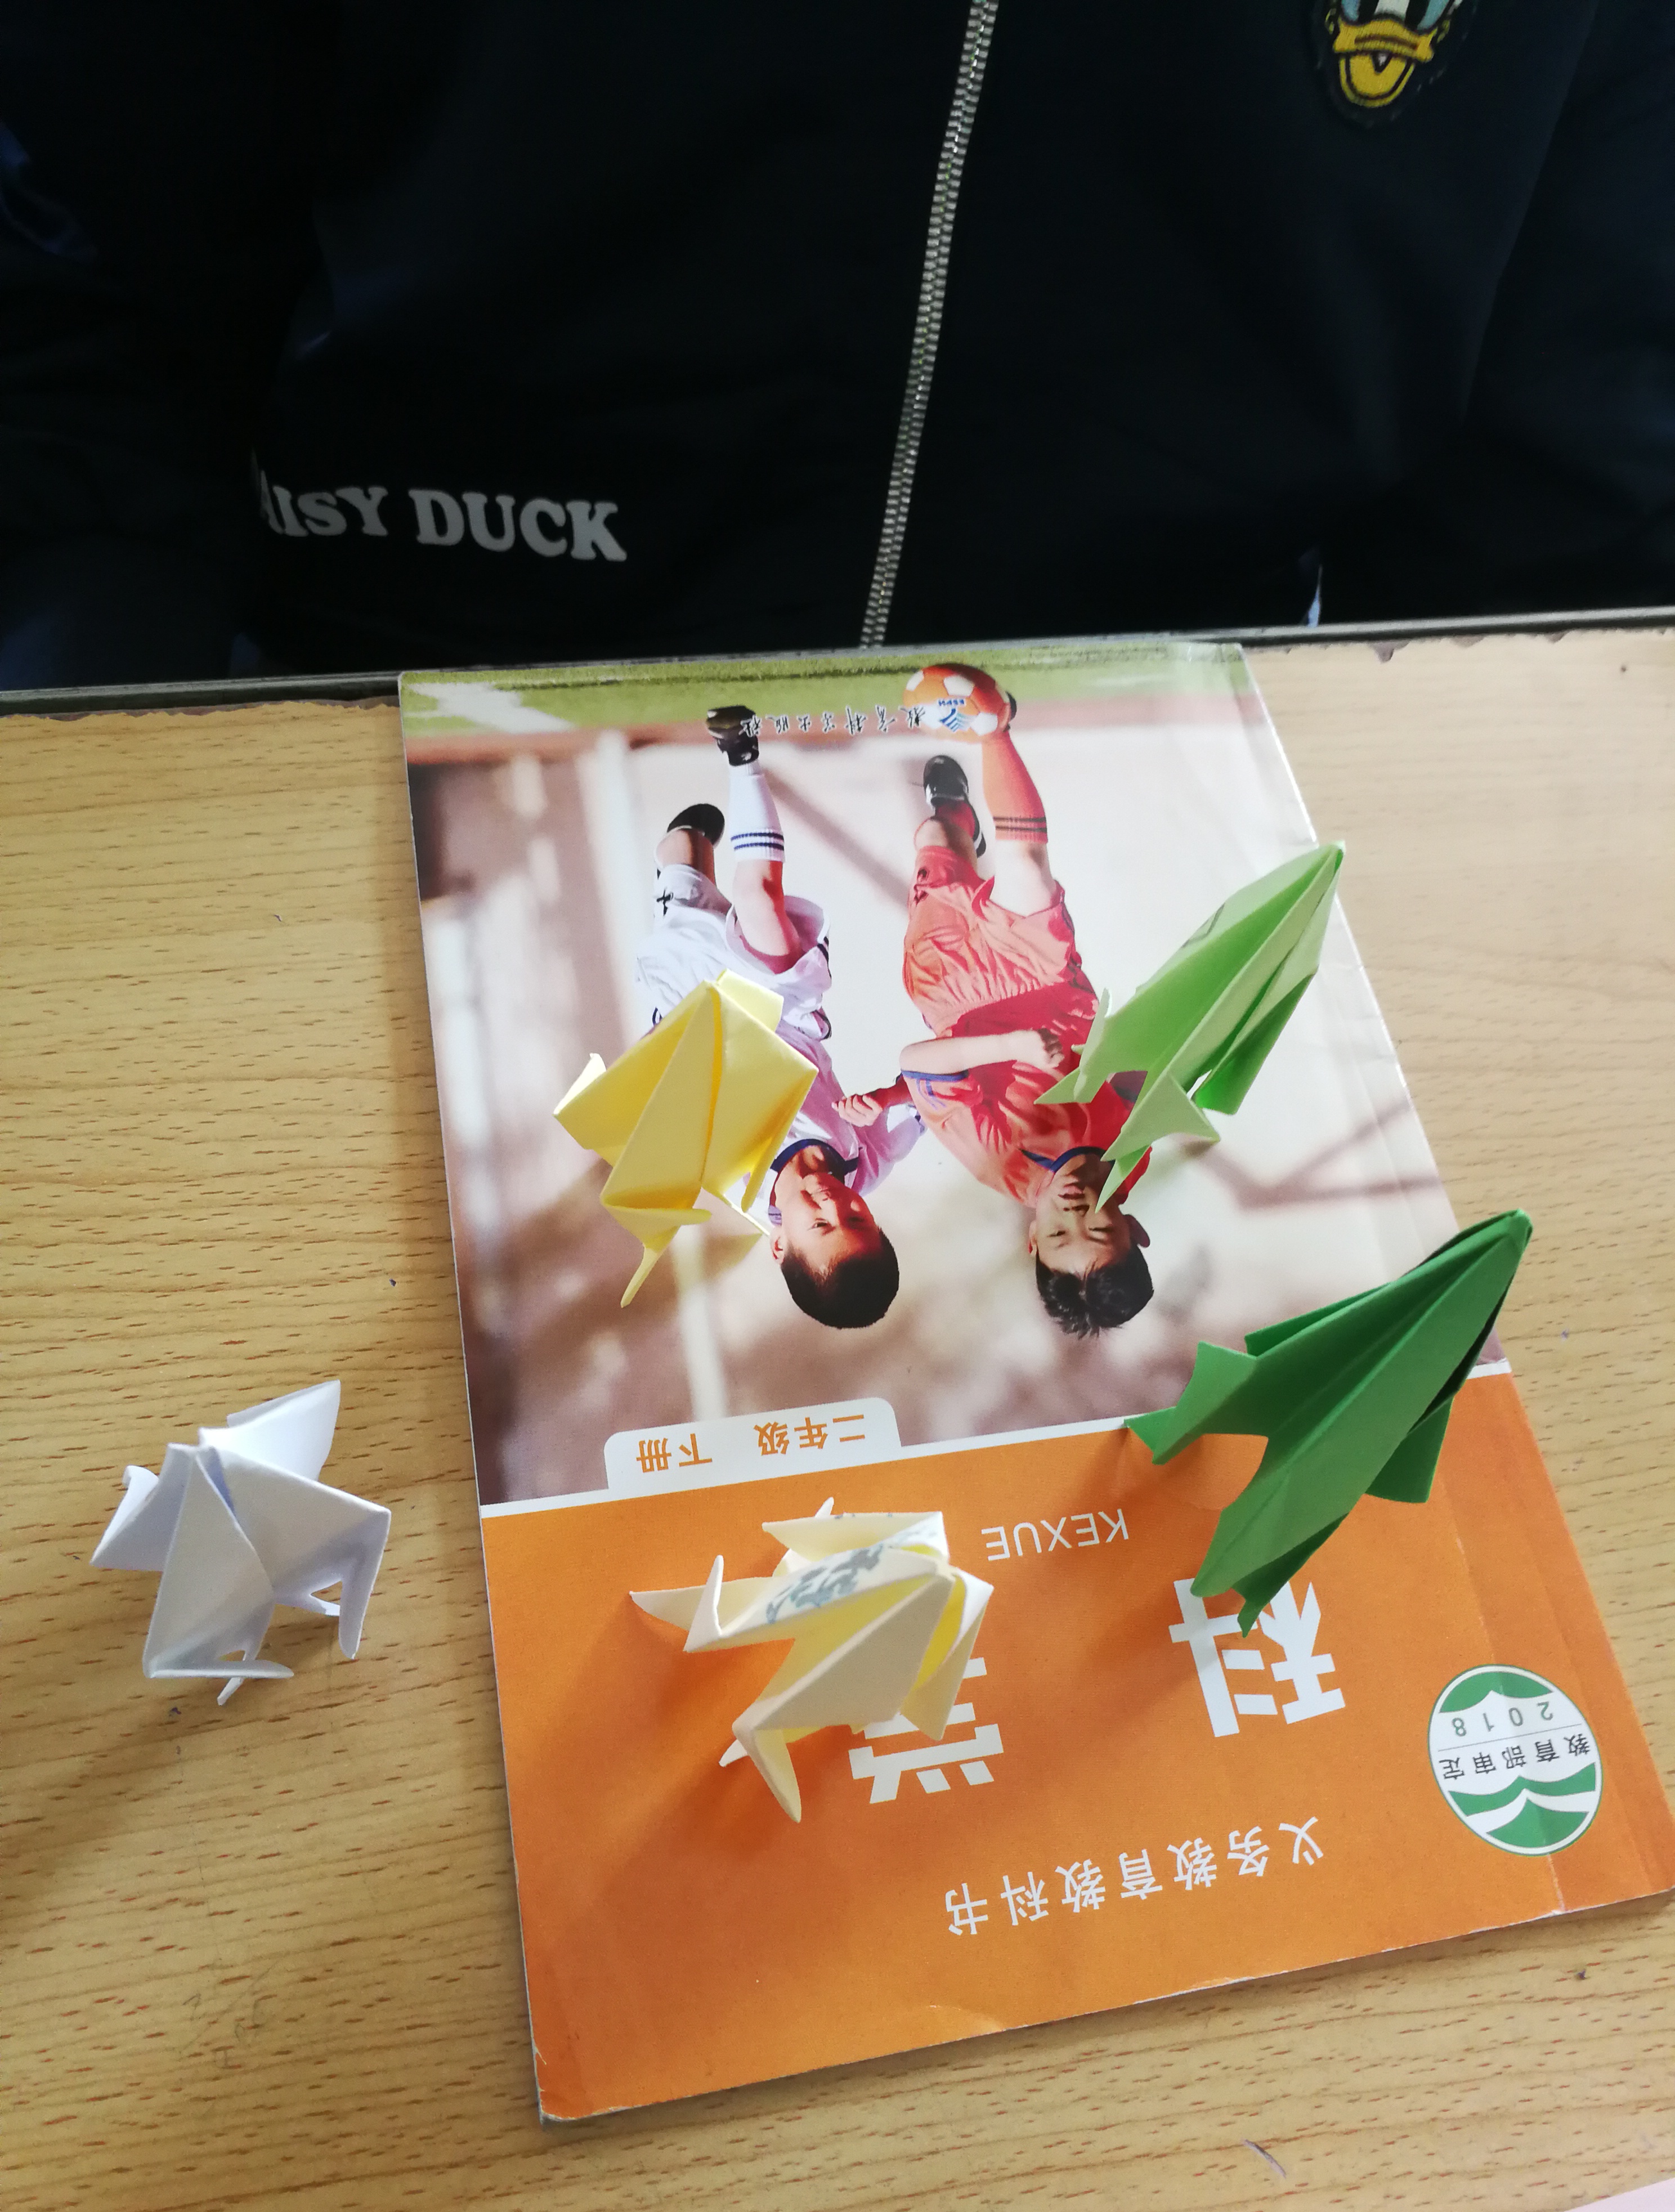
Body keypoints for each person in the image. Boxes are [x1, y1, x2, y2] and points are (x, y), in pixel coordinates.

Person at [4, 5, 1674, 687]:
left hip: (1171, 745)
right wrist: (113, 743)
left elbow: (1570, 529)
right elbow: (81, 282)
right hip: (367, 683)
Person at [839, 666, 1153, 1337]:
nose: (1075, 1209)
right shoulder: (1137, 1150)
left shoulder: (998, 1162)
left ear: (1033, 1240)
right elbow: (1140, 1058)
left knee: (935, 838)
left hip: (952, 985)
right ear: (1136, 1229)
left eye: (1059, 1231)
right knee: (1028, 871)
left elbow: (920, 1061)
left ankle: (956, 820)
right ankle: (993, 725)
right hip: (1046, 973)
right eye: (1099, 1227)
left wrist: (1008, 1048)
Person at [634, 706, 921, 1329]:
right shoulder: (866, 1163)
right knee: (760, 899)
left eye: (820, 1226)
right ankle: (743, 752)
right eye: (856, 1218)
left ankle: (683, 860)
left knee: (684, 850)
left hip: (699, 1005)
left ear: (779, 1244)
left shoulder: (731, 1175)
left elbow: (659, 1083)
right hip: (783, 1006)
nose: (834, 1204)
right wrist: (892, 1096)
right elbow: (939, 1096)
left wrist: (664, 1052)